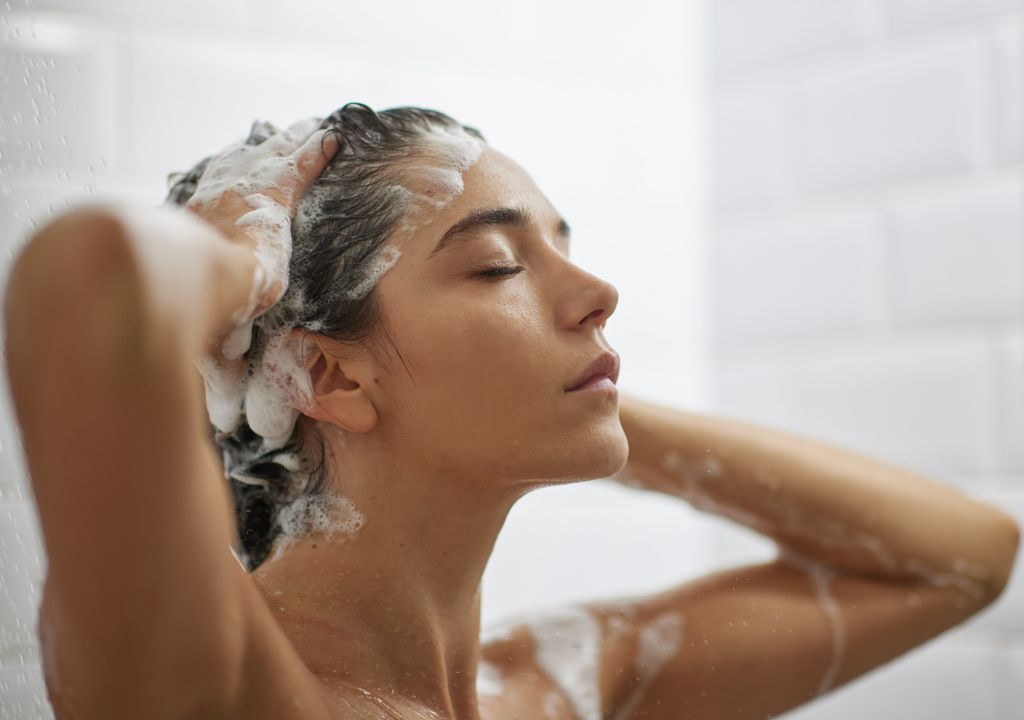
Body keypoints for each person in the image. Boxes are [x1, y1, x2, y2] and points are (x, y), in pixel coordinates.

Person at [3, 102, 1019, 720]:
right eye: (496, 266)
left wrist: (582, 402)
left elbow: (966, 555)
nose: (595, 292)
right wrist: (244, 253)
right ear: (333, 382)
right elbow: (88, 284)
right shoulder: (221, 689)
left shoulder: (557, 690)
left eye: (562, 245)